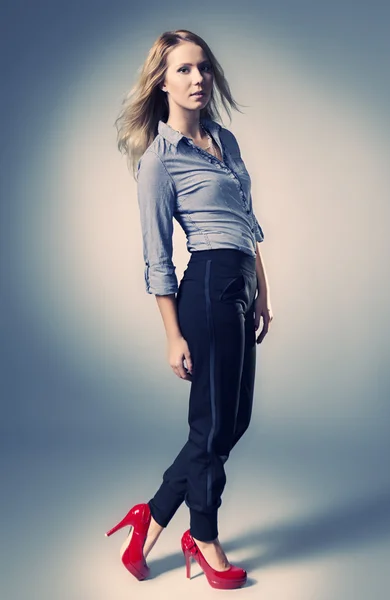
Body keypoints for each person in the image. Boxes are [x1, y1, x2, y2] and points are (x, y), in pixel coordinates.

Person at [105, 29, 274, 590]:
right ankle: (203, 536)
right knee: (211, 423)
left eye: (203, 67)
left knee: (234, 420)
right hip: (203, 288)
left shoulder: (224, 140)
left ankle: (150, 517)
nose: (198, 78)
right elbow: (157, 258)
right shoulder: (159, 161)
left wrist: (262, 292)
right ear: (162, 79)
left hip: (241, 284)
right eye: (183, 69)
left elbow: (248, 224)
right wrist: (172, 334)